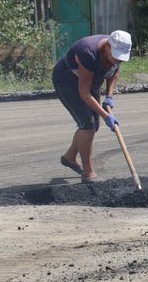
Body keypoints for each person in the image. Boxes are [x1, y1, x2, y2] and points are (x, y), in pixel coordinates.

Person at [53, 30, 132, 181]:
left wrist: (109, 96)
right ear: (108, 46)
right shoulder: (88, 52)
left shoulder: (117, 55)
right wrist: (106, 115)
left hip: (91, 82)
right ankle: (88, 172)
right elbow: (84, 93)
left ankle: (69, 157)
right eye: (115, 56)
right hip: (67, 81)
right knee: (87, 125)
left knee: (93, 125)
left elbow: (113, 73)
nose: (117, 60)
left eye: (120, 58)